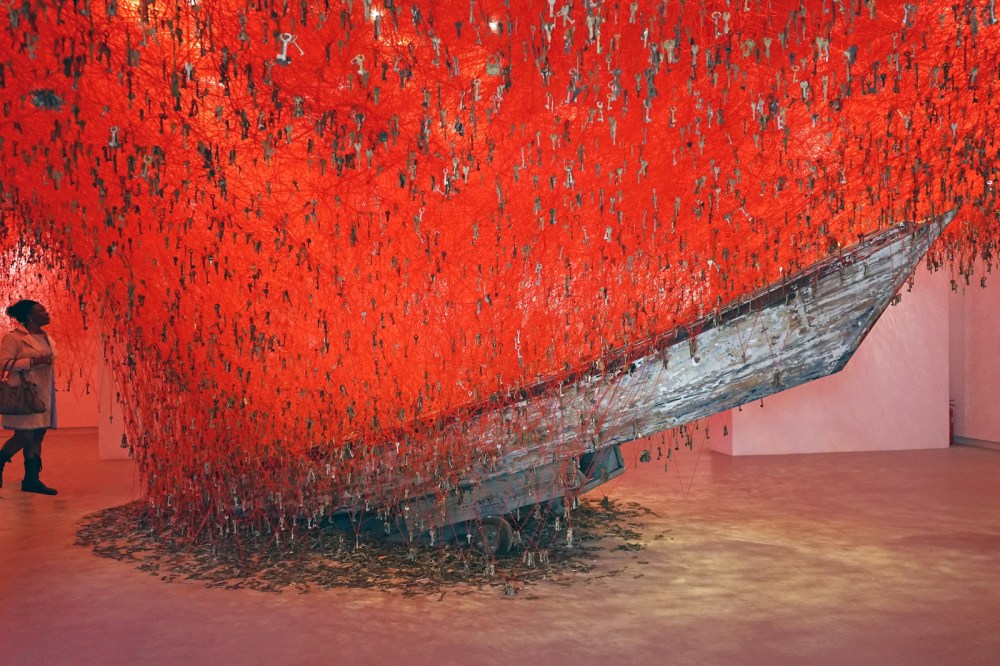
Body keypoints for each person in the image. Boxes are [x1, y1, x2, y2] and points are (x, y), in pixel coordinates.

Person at [0, 299, 58, 495]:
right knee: (24, 435)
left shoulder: (45, 336)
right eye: (42, 310)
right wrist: (32, 362)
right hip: (23, 394)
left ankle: (31, 480)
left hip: (43, 392)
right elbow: (4, 364)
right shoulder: (14, 338)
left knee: (38, 435)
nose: (46, 313)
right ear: (30, 316)